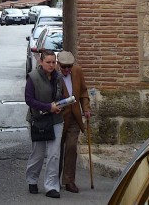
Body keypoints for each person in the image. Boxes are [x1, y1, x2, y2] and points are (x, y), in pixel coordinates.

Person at [25, 49, 65, 198]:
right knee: (38, 154)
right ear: (41, 62)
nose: (51, 65)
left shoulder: (58, 77)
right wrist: (48, 107)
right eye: (48, 62)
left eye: (54, 62)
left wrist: (62, 104)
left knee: (54, 154)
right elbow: (29, 100)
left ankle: (51, 186)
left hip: (56, 119)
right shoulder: (33, 77)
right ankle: (32, 180)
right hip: (39, 119)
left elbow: (62, 95)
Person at [56, 50, 92, 193]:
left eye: (69, 67)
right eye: (64, 67)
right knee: (56, 150)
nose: (67, 70)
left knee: (71, 148)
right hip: (59, 118)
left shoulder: (77, 71)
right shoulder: (53, 74)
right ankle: (54, 179)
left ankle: (69, 181)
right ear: (59, 64)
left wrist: (86, 108)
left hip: (74, 118)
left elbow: (83, 91)